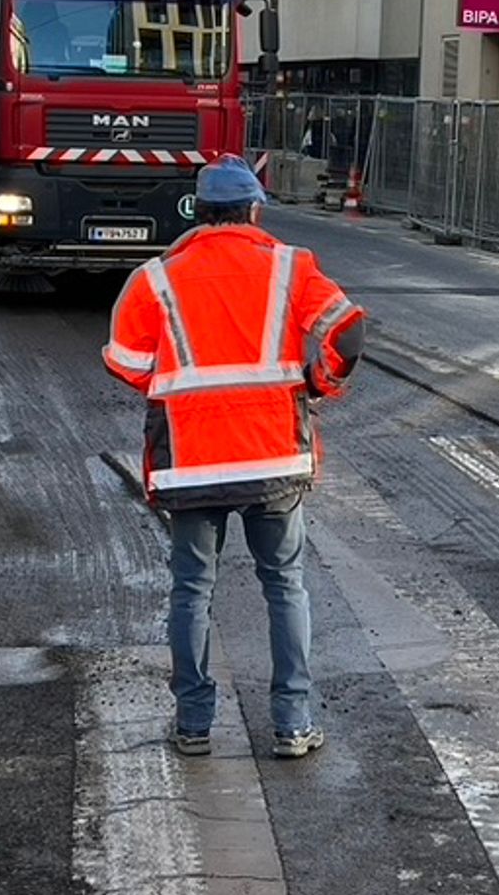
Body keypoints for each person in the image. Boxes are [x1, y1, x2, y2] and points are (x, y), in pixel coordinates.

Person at [103, 155, 366, 762]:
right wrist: (318, 382)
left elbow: (124, 358)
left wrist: (176, 388)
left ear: (198, 212)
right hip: (273, 456)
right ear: (253, 210)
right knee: (285, 585)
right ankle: (293, 724)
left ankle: (194, 725)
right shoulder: (291, 267)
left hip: (191, 464)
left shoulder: (155, 278)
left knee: (192, 591)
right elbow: (346, 332)